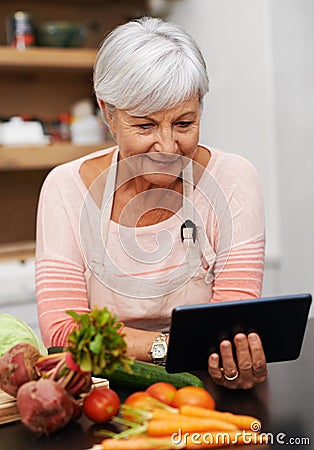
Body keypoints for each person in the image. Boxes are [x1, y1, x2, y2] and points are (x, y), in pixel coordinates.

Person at [35, 16, 267, 389]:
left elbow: (228, 326)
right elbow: (65, 334)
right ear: (108, 112)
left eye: (184, 123)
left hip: (206, 391)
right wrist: (167, 347)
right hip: (98, 396)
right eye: (144, 126)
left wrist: (233, 355)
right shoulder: (65, 188)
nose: (167, 147)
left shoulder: (234, 179)